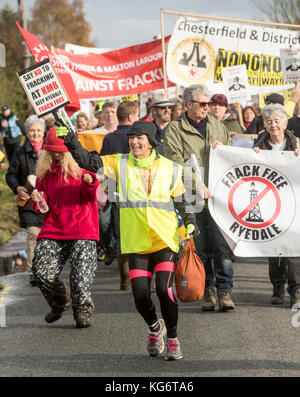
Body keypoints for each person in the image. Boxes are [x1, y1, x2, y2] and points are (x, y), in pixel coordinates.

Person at [56, 119, 198, 360]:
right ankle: (155, 328)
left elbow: (182, 200)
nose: (134, 142)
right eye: (132, 138)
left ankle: (173, 337)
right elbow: (88, 161)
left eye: (139, 138)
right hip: (136, 241)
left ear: (151, 142)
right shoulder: (119, 163)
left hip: (165, 239)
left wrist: (190, 220)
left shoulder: (170, 167)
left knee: (165, 290)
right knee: (140, 294)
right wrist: (71, 140)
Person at [163, 84, 235, 312]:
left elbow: (231, 156)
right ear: (188, 105)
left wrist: (223, 148)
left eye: (209, 103)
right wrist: (198, 185)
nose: (208, 108)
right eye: (203, 104)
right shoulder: (175, 129)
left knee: (222, 246)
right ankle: (209, 291)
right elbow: (175, 161)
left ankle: (225, 290)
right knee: (201, 247)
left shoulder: (218, 126)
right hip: (192, 197)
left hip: (218, 197)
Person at [31, 126, 99, 328]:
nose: (57, 156)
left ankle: (82, 310)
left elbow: (90, 195)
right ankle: (61, 301)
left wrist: (89, 183)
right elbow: (43, 205)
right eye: (52, 152)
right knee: (41, 271)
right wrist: (37, 199)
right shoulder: (45, 174)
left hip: (83, 229)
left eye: (61, 153)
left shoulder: (82, 168)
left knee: (80, 277)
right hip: (54, 228)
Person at [253, 104, 300, 307]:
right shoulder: (258, 147)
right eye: (269, 121)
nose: (273, 125)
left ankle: (296, 289)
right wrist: (251, 155)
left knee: (294, 249)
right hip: (269, 205)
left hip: (293, 203)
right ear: (264, 124)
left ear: (285, 123)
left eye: (277, 120)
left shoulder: (297, 144)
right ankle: (277, 286)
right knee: (274, 249)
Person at [99, 101, 140, 285]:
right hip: (138, 192)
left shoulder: (108, 139)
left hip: (116, 193)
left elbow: (103, 166)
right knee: (140, 234)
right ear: (131, 117)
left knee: (122, 234)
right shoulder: (140, 137)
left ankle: (124, 277)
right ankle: (142, 276)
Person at [6, 115, 45, 286]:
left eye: (38, 130)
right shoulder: (20, 152)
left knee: (47, 239)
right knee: (33, 236)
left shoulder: (50, 152)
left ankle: (46, 270)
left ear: (43, 132)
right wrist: (18, 188)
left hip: (48, 203)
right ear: (27, 132)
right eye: (32, 130)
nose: (35, 133)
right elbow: (10, 174)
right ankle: (33, 271)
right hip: (28, 202)